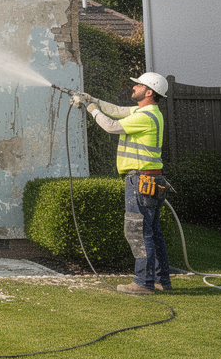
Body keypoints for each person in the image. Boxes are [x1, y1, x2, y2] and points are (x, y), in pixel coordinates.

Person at [72, 72, 171, 295]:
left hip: (141, 181)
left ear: (149, 92)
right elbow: (117, 110)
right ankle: (160, 280)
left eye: (138, 86)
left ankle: (143, 283)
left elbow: (111, 125)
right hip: (149, 179)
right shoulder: (147, 112)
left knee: (138, 231)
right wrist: (92, 99)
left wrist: (90, 109)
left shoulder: (145, 117)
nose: (133, 88)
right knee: (152, 232)